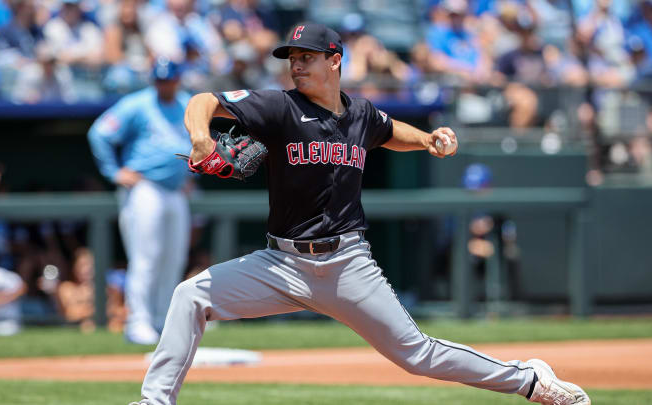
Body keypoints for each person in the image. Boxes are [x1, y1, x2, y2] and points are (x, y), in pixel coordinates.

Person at [129, 23, 590, 405]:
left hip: (345, 264)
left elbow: (390, 130)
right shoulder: (278, 106)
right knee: (191, 296)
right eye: (292, 57)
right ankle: (154, 402)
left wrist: (428, 140)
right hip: (281, 264)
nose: (296, 64)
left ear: (334, 60)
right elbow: (203, 101)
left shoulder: (360, 114)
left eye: (307, 56)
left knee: (417, 355)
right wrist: (201, 138)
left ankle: (530, 381)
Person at [87, 58, 193, 345]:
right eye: (159, 80)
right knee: (146, 257)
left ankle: (162, 320)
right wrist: (114, 171)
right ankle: (138, 321)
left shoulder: (187, 104)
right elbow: (99, 133)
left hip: (176, 190)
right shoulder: (137, 103)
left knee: (174, 257)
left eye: (168, 79)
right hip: (145, 187)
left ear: (177, 79)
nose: (164, 85)